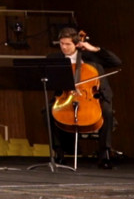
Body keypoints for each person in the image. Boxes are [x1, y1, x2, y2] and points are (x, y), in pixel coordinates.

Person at [48, 27, 122, 169]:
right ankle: (59, 154)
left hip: (92, 96)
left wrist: (94, 49)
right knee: (48, 112)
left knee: (106, 112)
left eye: (67, 44)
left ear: (76, 44)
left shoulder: (91, 56)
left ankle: (104, 154)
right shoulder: (54, 59)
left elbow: (116, 62)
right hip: (65, 97)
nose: (63, 47)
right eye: (61, 44)